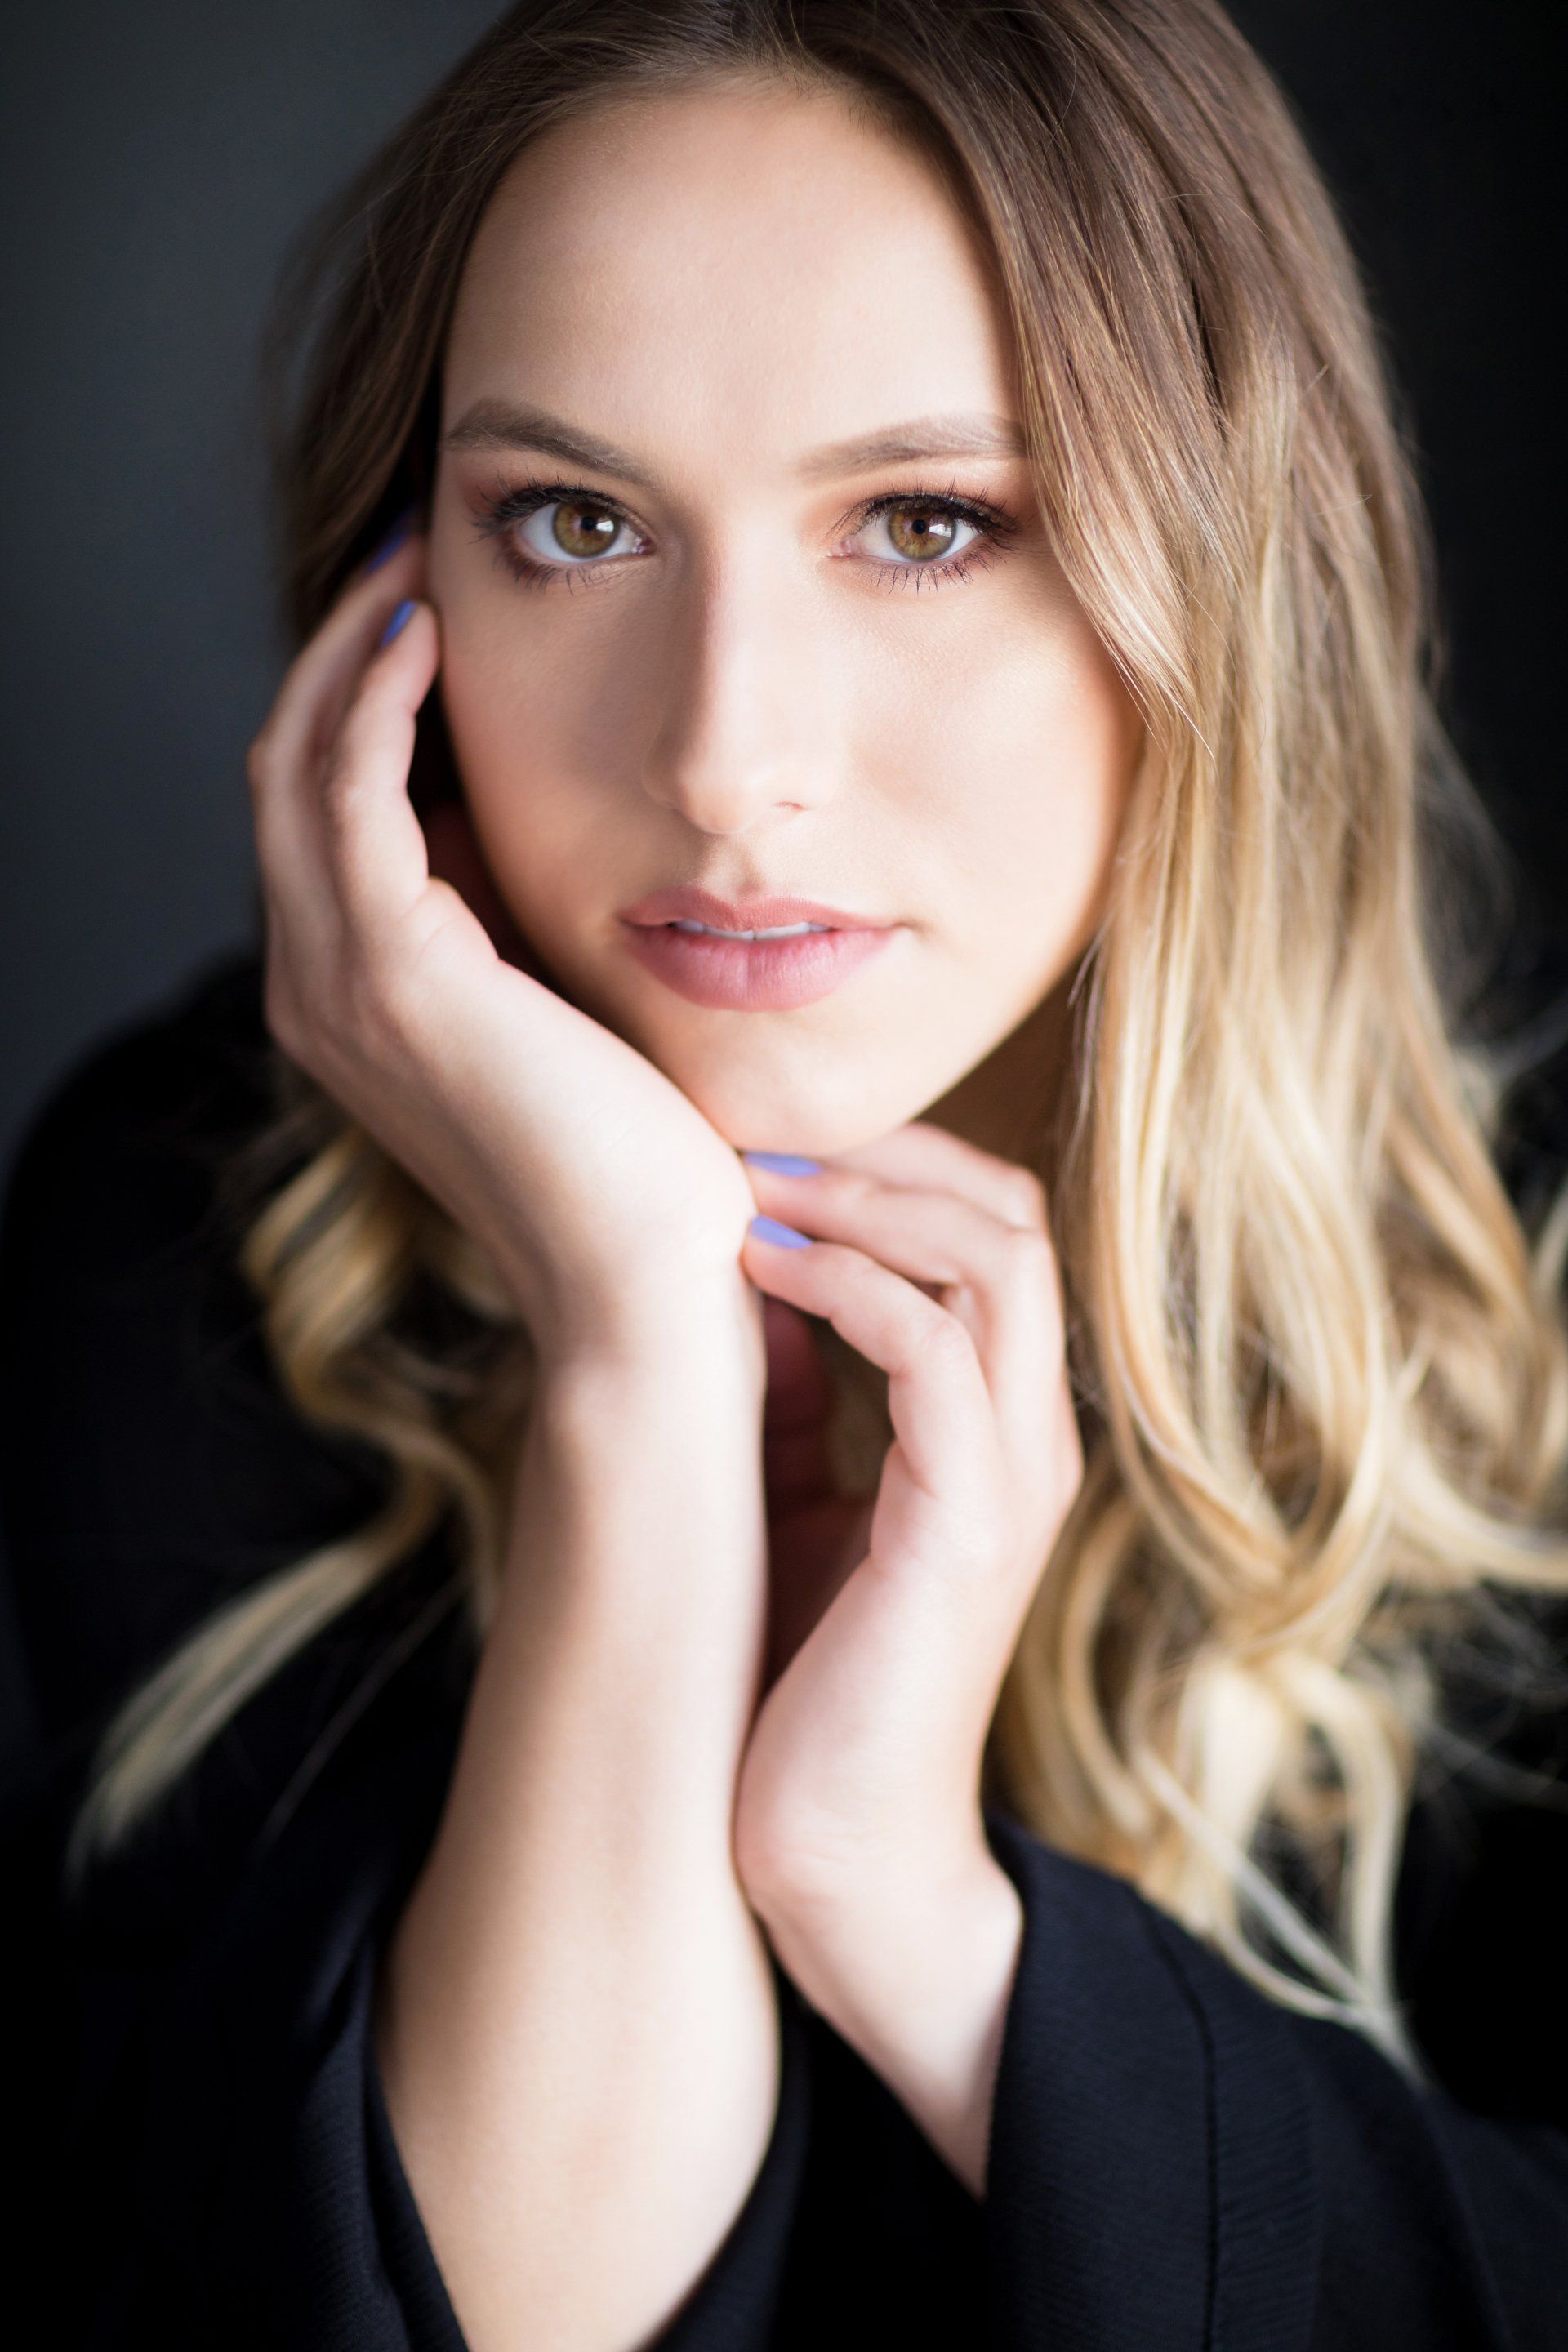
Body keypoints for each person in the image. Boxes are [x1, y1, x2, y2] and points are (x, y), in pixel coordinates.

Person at [4, 0, 1568, 2344]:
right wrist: (634, 1366)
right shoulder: (203, 1236)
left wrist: (916, 1931)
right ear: (389, 621)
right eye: (575, 519)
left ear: (1234, 584)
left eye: (928, 524)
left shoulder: (1514, 1315)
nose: (728, 758)